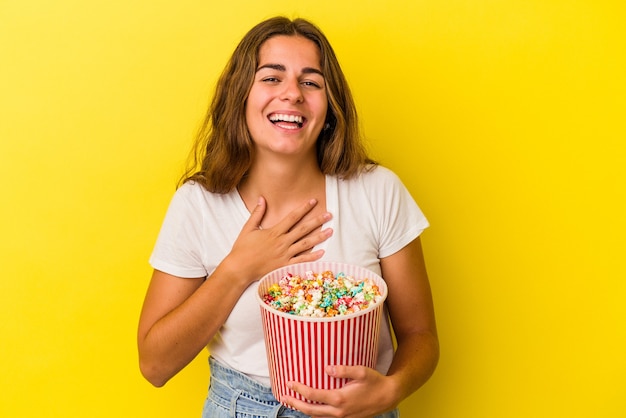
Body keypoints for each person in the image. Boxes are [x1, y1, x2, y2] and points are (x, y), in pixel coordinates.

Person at [137, 16, 439, 418]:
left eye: (311, 81)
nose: (292, 94)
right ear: (241, 95)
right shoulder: (200, 204)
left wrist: (388, 391)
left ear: (329, 108)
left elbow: (421, 336)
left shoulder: (377, 191)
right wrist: (237, 269)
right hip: (241, 407)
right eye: (271, 78)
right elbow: (155, 365)